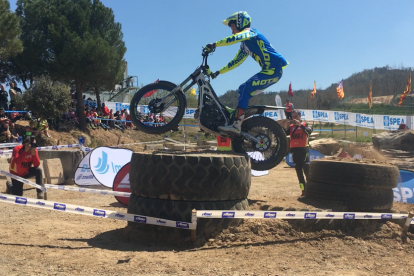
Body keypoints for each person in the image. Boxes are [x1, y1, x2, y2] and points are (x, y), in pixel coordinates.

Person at [204, 11, 288, 134]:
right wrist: (218, 72)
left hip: (274, 70)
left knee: (244, 89)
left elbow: (234, 38)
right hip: (269, 71)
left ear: (240, 23)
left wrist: (215, 44)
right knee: (243, 91)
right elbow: (235, 62)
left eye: (232, 27)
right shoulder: (245, 45)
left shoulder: (251, 33)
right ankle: (239, 121)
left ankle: (237, 125)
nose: (232, 31)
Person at [284, 110, 313, 196]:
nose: (294, 118)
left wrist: (300, 125)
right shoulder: (291, 127)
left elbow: (308, 132)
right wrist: (285, 126)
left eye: (296, 116)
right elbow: (284, 133)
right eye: (293, 117)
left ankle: (310, 190)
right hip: (294, 150)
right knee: (299, 172)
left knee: (307, 170)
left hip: (303, 150)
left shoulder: (305, 125)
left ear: (300, 116)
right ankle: (303, 190)